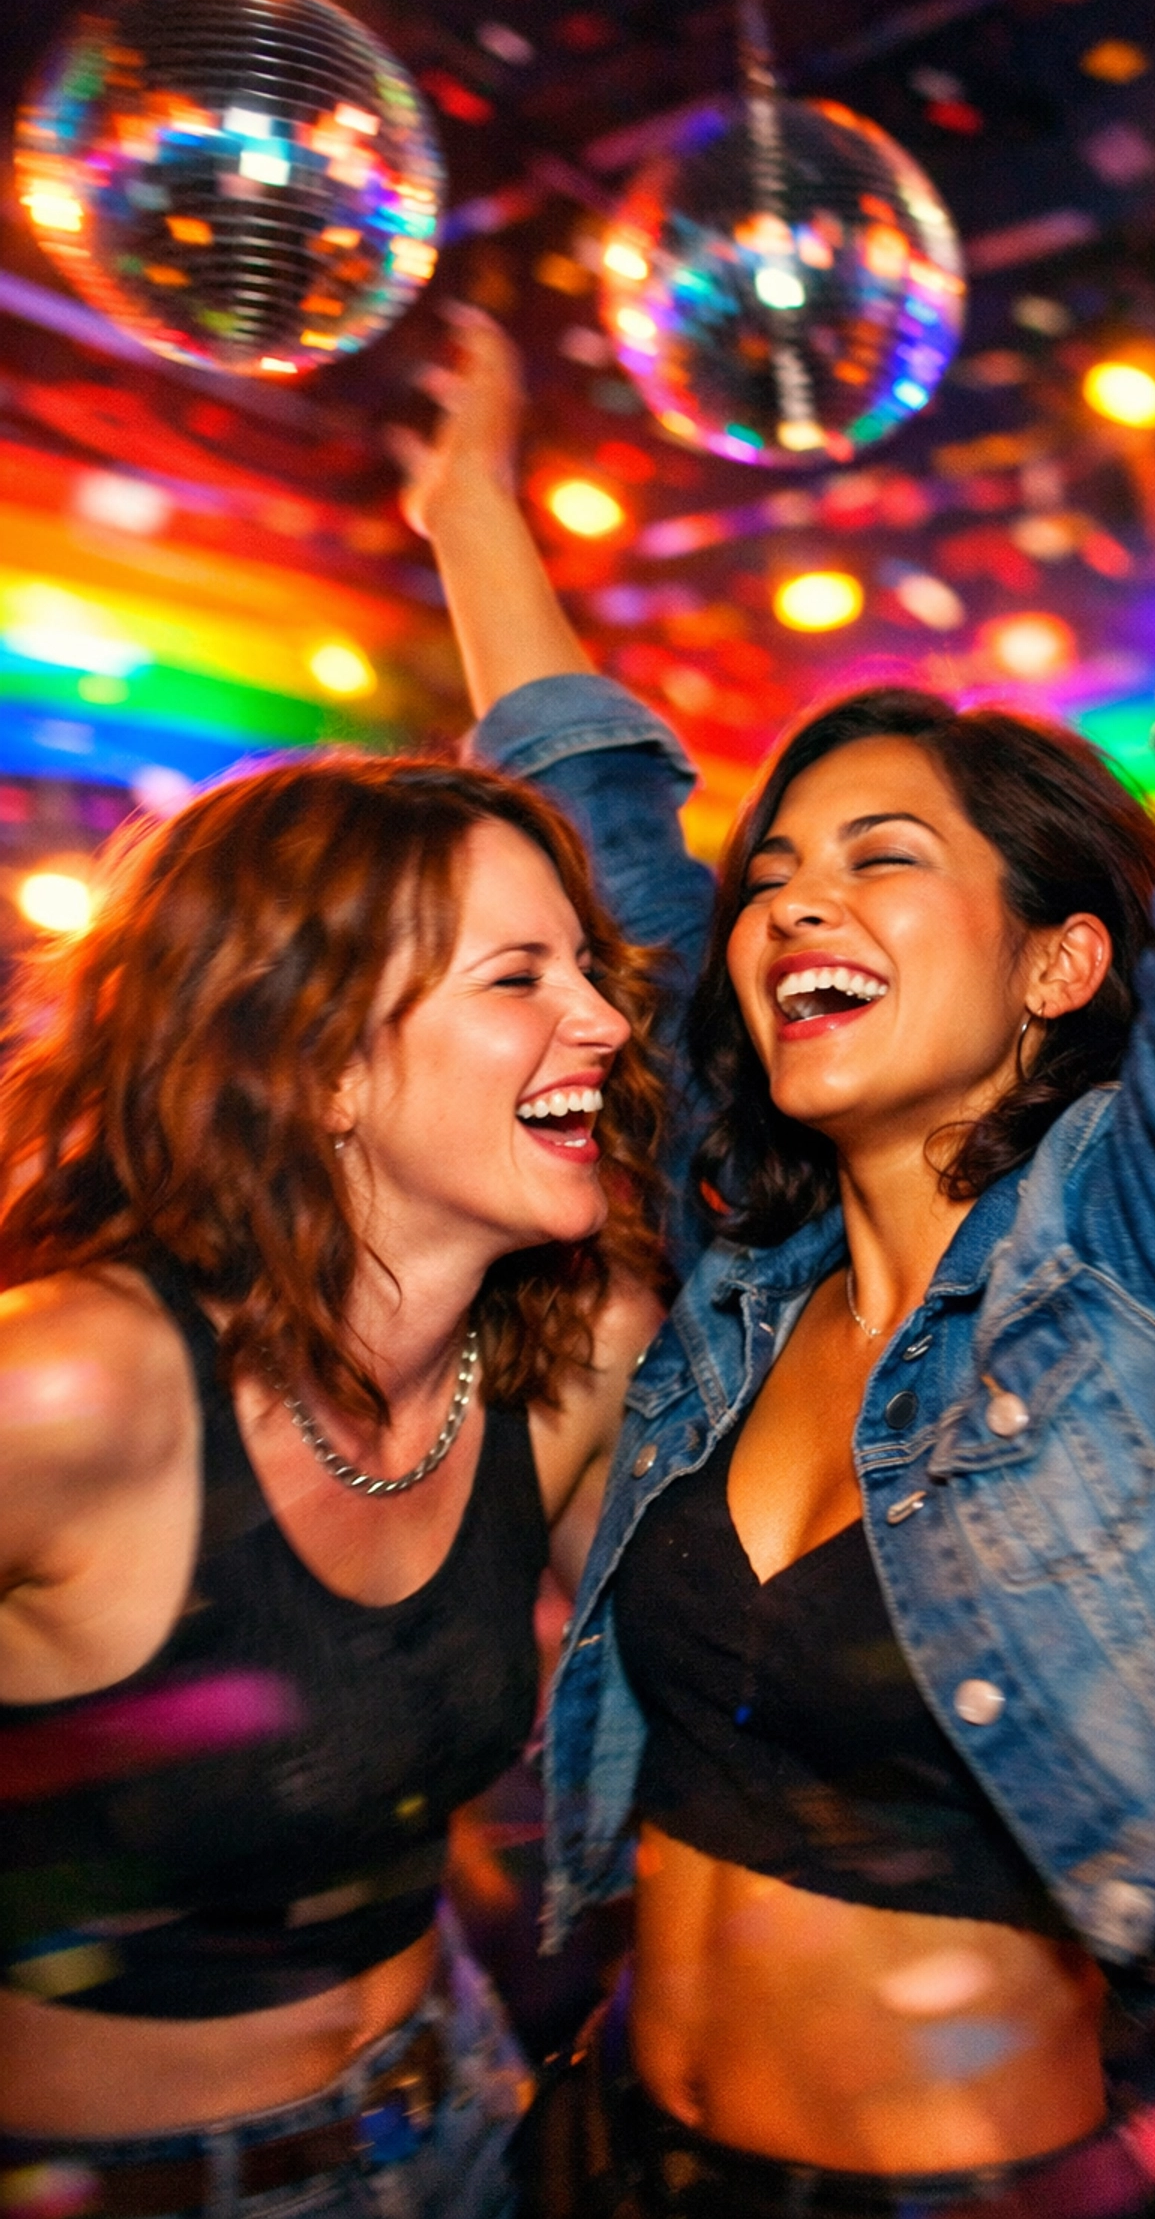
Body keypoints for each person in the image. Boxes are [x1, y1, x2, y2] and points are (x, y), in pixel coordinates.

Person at [402, 0, 1155, 2214]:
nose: (794, 898)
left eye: (884, 860)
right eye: (785, 869)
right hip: (601, 2150)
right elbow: (619, 846)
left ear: (1058, 961)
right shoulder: (745, 1257)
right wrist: (469, 527)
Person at [0, 755, 669, 2215]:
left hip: (464, 2118)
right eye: (517, 978)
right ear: (322, 1067)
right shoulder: (67, 1390)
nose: (607, 1021)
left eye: (589, 966)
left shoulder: (569, 1354)